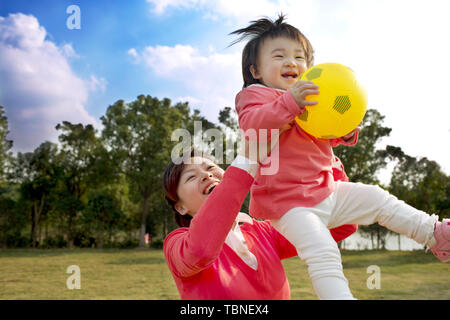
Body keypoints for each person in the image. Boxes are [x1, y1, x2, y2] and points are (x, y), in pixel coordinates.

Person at [230, 14, 449, 300]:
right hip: (289, 205)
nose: (291, 62)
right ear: (255, 70)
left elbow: (319, 133)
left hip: (327, 190)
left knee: (377, 199)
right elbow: (254, 124)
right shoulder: (254, 96)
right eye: (279, 55)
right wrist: (290, 102)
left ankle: (435, 234)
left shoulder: (313, 97)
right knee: (322, 252)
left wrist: (342, 132)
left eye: (299, 56)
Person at [162, 132, 358, 300]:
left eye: (211, 167)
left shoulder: (265, 231)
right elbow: (200, 252)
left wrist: (325, 155)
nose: (207, 175)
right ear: (179, 207)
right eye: (191, 176)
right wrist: (247, 159)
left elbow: (339, 225)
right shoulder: (177, 245)